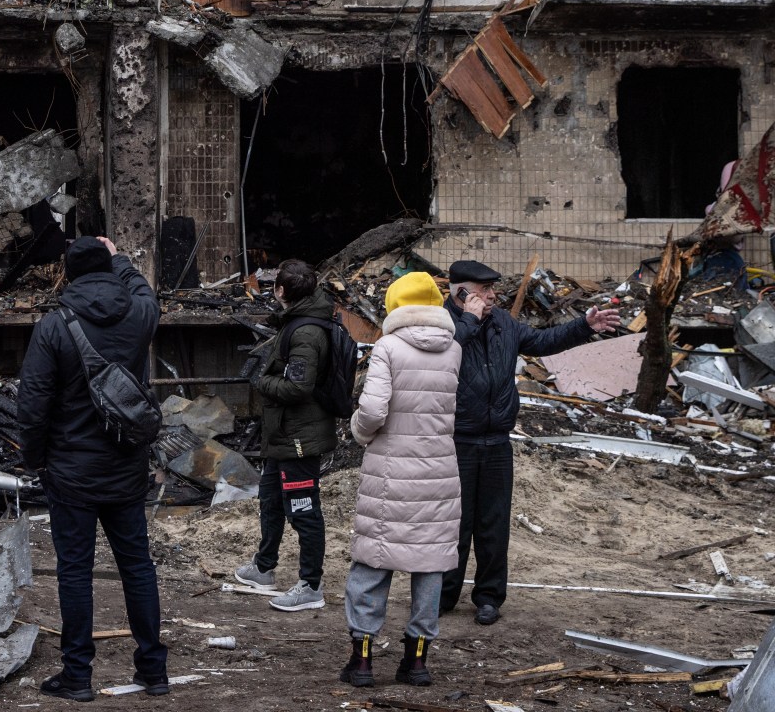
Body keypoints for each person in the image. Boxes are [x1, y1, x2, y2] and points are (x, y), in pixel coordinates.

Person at [17, 236, 167, 702]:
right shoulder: (139, 315)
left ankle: (77, 676)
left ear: (69, 273)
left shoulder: (54, 325)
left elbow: (33, 403)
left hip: (70, 470)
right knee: (137, 566)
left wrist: (35, 459)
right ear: (109, 267)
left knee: (76, 571)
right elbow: (143, 290)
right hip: (126, 466)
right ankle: (154, 670)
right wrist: (119, 257)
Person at [439, 259, 621, 625]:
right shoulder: (441, 325)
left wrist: (584, 326)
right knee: (452, 525)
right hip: (456, 442)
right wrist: (469, 321)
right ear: (460, 292)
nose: (492, 296)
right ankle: (443, 595)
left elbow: (540, 341)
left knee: (494, 525)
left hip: (497, 442)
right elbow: (444, 355)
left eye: (493, 289)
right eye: (484, 291)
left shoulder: (503, 323)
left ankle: (489, 597)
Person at [340, 272, 462, 689]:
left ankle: (362, 662)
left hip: (392, 471)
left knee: (373, 560)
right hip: (439, 473)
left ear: (396, 305)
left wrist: (359, 431)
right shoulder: (454, 349)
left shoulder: (388, 347)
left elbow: (374, 411)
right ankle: (417, 663)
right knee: (429, 564)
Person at [234, 258, 335, 613]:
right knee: (271, 500)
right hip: (284, 433)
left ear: (279, 291)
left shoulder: (306, 332)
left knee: (304, 510)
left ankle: (311, 585)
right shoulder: (298, 320)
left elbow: (298, 387)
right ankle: (264, 567)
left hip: (299, 438)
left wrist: (261, 381)